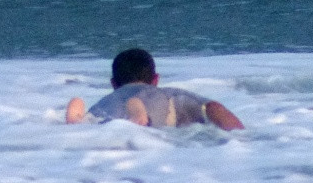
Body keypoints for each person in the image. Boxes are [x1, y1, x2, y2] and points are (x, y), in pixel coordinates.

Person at [63, 47, 244, 130]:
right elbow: (213, 108)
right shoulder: (169, 95)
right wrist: (240, 139)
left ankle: (75, 113)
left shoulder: (102, 103)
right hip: (149, 132)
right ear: (156, 80)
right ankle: (138, 114)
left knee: (86, 121)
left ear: (113, 84)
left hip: (104, 135)